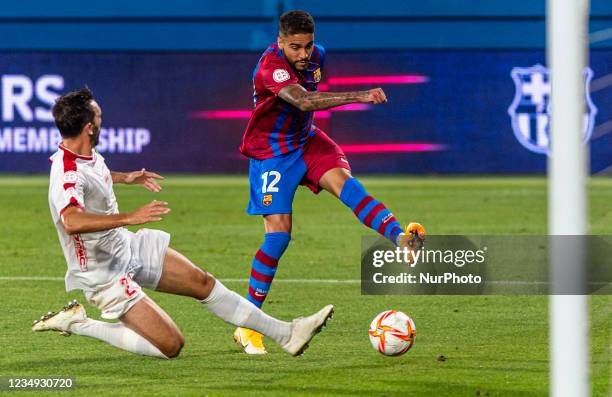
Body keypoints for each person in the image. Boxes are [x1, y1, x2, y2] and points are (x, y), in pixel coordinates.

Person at [32, 87, 333, 359]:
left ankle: (288, 334)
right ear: (89, 127)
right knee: (171, 345)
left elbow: (94, 176)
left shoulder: (85, 154)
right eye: (99, 116)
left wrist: (127, 178)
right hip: (102, 273)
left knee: (202, 282)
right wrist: (129, 217)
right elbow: (71, 220)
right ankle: (80, 323)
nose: (102, 119)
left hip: (123, 246)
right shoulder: (65, 172)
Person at [235, 10, 426, 354]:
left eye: (307, 46)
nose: (304, 54)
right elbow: (305, 101)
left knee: (347, 185)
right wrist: (360, 96)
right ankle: (249, 325)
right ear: (280, 41)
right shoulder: (270, 67)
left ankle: (400, 237)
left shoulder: (317, 55)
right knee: (278, 238)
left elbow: (307, 99)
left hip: (307, 141)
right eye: (295, 47)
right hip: (272, 153)